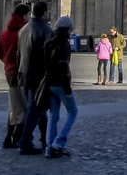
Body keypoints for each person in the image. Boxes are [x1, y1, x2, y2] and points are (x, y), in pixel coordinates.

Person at [17, 1, 53, 155]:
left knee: (38, 109)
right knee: (35, 109)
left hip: (23, 72)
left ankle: (45, 140)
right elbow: (48, 56)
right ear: (45, 12)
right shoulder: (46, 30)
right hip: (38, 74)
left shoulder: (23, 29)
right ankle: (25, 142)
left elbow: (18, 53)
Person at [0, 3, 30, 149]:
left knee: (14, 107)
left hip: (9, 72)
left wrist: (7, 62)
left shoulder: (4, 33)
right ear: (25, 15)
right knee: (23, 108)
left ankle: (10, 137)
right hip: (21, 72)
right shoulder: (24, 32)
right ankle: (15, 138)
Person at [44, 16, 78, 158]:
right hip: (60, 82)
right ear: (69, 29)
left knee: (53, 115)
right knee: (72, 111)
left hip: (49, 81)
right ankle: (59, 142)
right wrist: (68, 89)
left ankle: (50, 147)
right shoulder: (63, 43)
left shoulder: (49, 40)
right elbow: (64, 66)